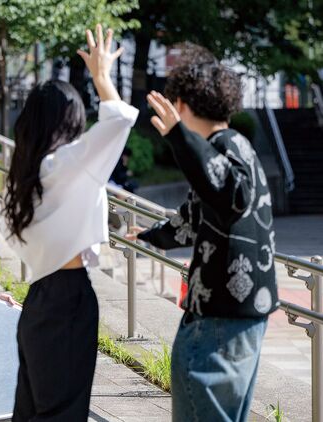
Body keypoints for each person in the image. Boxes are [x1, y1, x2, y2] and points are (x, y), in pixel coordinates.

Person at [129, 44, 278, 422]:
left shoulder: (222, 149)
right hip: (244, 315)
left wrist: (179, 137)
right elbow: (196, 218)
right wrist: (149, 235)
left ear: (181, 104)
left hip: (219, 317)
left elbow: (228, 192)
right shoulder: (238, 148)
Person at [3, 25, 138, 420]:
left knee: (31, 411)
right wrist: (101, 77)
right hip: (68, 297)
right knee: (62, 412)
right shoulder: (67, 163)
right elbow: (118, 122)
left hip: (40, 295)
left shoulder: (25, 172)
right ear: (71, 119)